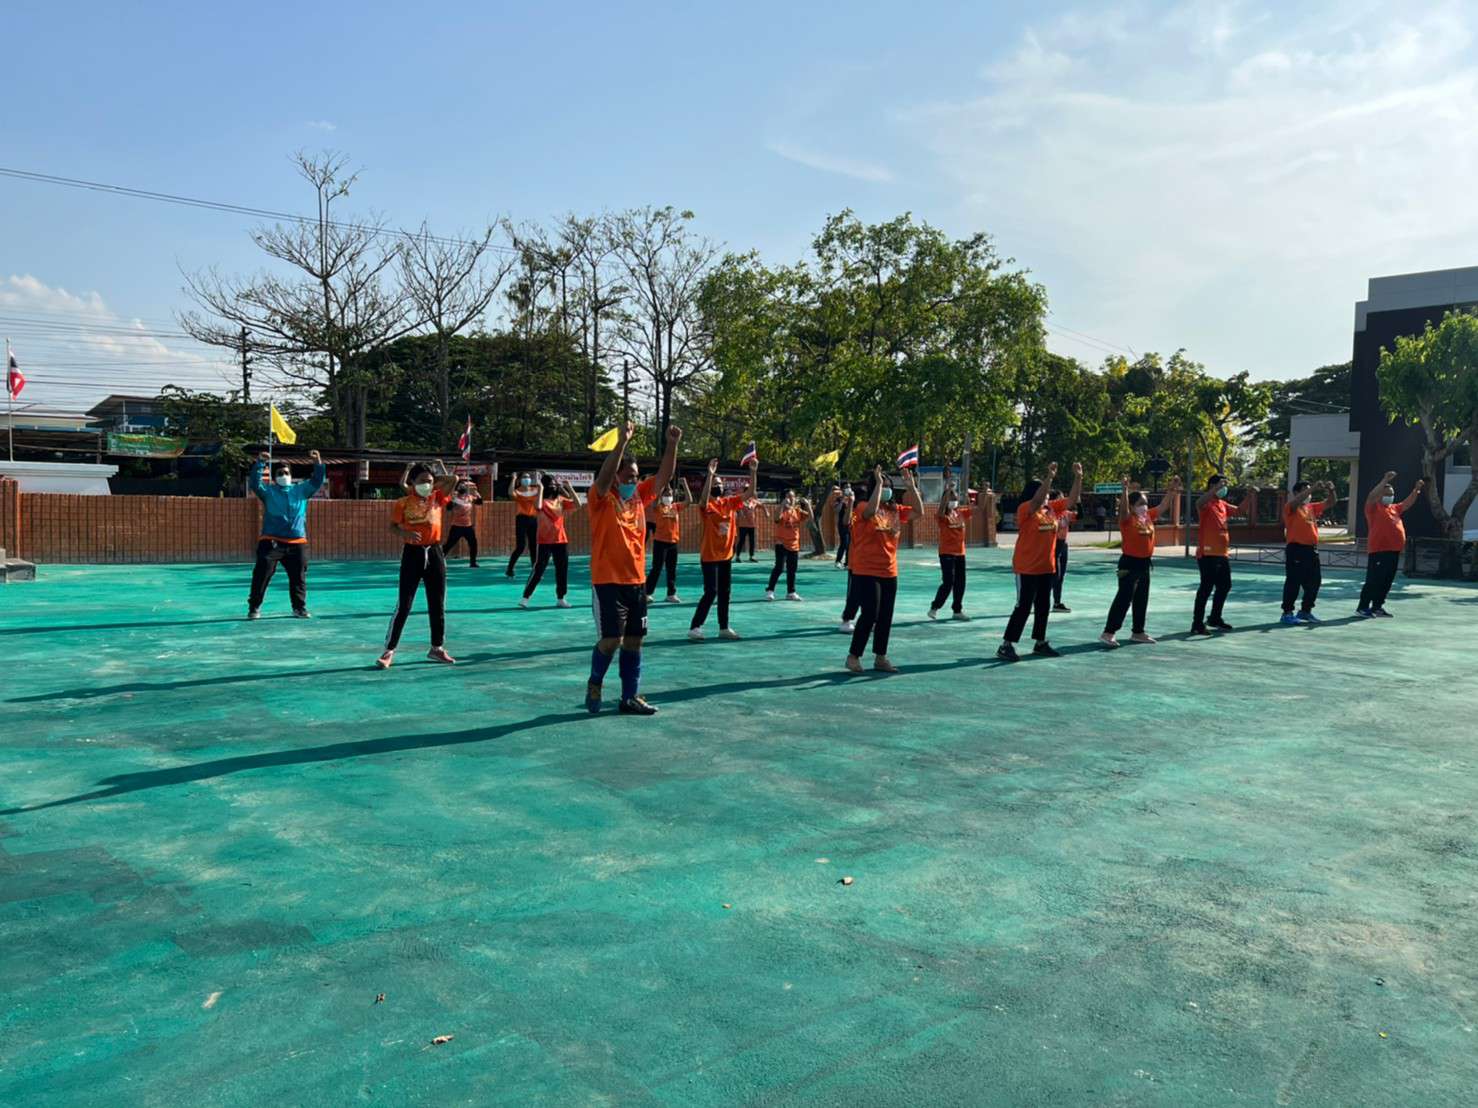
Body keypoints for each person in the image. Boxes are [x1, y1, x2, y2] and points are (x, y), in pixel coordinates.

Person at [585, 420, 682, 715]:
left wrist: (672, 445)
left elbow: (664, 477)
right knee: (611, 640)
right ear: (616, 477)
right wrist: (621, 444)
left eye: (636, 477)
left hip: (636, 581)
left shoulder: (639, 496)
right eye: (628, 476)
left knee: (635, 640)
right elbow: (603, 480)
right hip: (607, 580)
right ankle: (595, 682)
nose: (633, 481)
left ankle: (630, 697)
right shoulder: (600, 498)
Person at [378, 460, 460, 668]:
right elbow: (393, 526)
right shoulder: (403, 503)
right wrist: (405, 533)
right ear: (412, 482)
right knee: (404, 604)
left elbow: (454, 479)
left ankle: (437, 648)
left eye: (429, 481)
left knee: (437, 602)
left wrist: (436, 475)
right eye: (422, 481)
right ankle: (389, 650)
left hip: (435, 552)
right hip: (412, 554)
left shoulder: (437, 498)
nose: (426, 485)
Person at [997, 462, 1081, 661]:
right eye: (1044, 492)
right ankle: (1006, 645)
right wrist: (1049, 477)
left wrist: (1078, 477)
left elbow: (1072, 501)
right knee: (1024, 606)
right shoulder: (1025, 509)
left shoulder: (1051, 509)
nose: (1047, 495)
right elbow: (1035, 502)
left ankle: (1040, 642)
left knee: (1043, 606)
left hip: (1046, 567)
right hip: (1027, 567)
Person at [845, 464, 922, 674]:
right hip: (866, 569)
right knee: (870, 614)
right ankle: (853, 656)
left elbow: (918, 512)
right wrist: (878, 483)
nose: (887, 489)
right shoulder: (862, 507)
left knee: (886, 616)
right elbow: (870, 512)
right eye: (883, 485)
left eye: (888, 486)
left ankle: (880, 657)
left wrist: (911, 486)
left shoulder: (894, 510)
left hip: (889, 569)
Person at [1099, 474, 1181, 648]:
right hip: (1130, 563)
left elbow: (1163, 506)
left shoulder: (1147, 517)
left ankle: (1138, 632)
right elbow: (1123, 511)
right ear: (1132, 506)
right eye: (1140, 503)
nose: (1144, 506)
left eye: (1145, 503)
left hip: (1144, 563)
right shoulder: (1127, 519)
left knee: (1141, 599)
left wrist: (1171, 490)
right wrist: (1124, 490)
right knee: (1124, 598)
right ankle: (1108, 632)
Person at [247, 449, 326, 620]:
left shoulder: (302, 490)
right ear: (275, 478)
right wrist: (260, 463)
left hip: (297, 542)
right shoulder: (268, 492)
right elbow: (254, 483)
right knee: (262, 574)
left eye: (286, 472)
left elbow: (317, 480)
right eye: (280, 473)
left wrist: (317, 462)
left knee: (299, 577)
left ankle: (299, 608)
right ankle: (254, 607)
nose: (284, 475)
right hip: (271, 541)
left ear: (291, 475)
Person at [688, 456, 757, 641]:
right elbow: (702, 501)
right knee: (711, 591)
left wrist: (753, 471)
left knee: (725, 592)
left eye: (720, 483)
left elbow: (750, 493)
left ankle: (724, 628)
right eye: (715, 484)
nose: (718, 486)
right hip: (709, 555)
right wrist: (710, 475)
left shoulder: (729, 502)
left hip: (726, 555)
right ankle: (695, 627)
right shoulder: (707, 506)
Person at [1190, 474, 1255, 635]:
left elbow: (1240, 511)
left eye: (1224, 485)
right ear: (1212, 486)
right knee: (1206, 588)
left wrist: (1249, 496)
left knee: (1225, 585)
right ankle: (1197, 623)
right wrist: (1216, 488)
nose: (1224, 488)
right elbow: (1198, 503)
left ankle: (1215, 617)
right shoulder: (1206, 504)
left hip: (1222, 553)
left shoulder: (1222, 504)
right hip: (1207, 554)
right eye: (1221, 485)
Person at [1358, 471, 1423, 618]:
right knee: (1374, 580)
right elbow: (1371, 496)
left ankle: (1377, 606)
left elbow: (1407, 503)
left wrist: (1416, 490)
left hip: (1393, 551)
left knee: (1386, 581)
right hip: (1379, 550)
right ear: (1380, 495)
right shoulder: (1373, 508)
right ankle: (1363, 607)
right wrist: (1384, 480)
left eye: (1392, 494)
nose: (1390, 496)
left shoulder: (1394, 508)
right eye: (1387, 494)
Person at [1280, 479, 1336, 625]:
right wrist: (1312, 489)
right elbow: (1295, 503)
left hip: (1311, 550)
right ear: (1296, 493)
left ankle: (1306, 611)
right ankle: (1287, 612)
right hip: (1296, 549)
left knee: (1315, 581)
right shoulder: (1290, 507)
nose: (1308, 494)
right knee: (1294, 581)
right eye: (1305, 490)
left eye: (1309, 490)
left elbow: (1330, 503)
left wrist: (1331, 490)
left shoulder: (1311, 507)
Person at [520, 477, 580, 609]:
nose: (553, 487)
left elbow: (578, 504)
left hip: (561, 540)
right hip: (544, 540)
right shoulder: (540, 499)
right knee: (539, 569)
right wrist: (541, 489)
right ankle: (525, 597)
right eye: (550, 484)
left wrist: (569, 487)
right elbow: (538, 507)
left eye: (554, 484)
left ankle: (561, 598)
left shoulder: (560, 500)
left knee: (562, 570)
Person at [928, 484, 973, 621]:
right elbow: (941, 511)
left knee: (960, 583)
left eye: (955, 498)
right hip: (947, 552)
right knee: (948, 582)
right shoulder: (942, 515)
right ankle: (934, 607)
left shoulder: (960, 513)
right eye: (951, 498)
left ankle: (957, 611)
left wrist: (975, 497)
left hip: (960, 553)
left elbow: (978, 509)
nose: (954, 501)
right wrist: (947, 491)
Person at [645, 479, 690, 604]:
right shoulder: (658, 507)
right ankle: (647, 593)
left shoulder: (675, 507)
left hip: (673, 542)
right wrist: (662, 487)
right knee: (657, 568)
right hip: (660, 542)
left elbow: (689, 501)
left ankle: (671, 594)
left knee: (672, 569)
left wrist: (684, 485)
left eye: (670, 494)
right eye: (666, 494)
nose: (668, 496)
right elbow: (654, 502)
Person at [765, 490, 812, 601]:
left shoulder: (797, 510)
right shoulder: (781, 509)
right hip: (781, 543)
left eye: (793, 496)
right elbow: (776, 519)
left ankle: (791, 592)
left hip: (794, 544)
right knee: (779, 568)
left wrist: (808, 505)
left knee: (792, 570)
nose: (791, 499)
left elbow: (811, 518)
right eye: (788, 496)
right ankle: (770, 590)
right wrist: (782, 505)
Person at [1049, 479, 1082, 612]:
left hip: (1063, 545)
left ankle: (1057, 602)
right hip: (1054, 544)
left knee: (1061, 575)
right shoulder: (1051, 512)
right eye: (1061, 498)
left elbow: (1080, 516)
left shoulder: (1066, 513)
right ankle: (1038, 598)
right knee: (1054, 575)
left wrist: (1078, 503)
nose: (1064, 501)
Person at [505, 471, 541, 577]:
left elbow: (542, 492)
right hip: (522, 519)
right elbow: (510, 493)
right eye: (524, 477)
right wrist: (513, 478)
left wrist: (540, 479)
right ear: (520, 480)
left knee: (533, 546)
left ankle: (535, 570)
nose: (527, 479)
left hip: (533, 519)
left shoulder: (535, 490)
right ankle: (510, 569)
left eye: (528, 477)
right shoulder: (518, 491)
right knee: (520, 546)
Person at [441, 479, 484, 566]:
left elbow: (480, 502)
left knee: (473, 544)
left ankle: (473, 562)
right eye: (461, 485)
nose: (462, 487)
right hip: (457, 526)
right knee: (449, 544)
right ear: (457, 488)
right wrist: (452, 500)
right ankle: (440, 558)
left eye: (464, 485)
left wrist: (477, 493)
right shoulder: (455, 498)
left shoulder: (469, 497)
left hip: (468, 526)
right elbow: (448, 508)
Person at [832, 485, 854, 569]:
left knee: (850, 544)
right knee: (844, 543)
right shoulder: (839, 499)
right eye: (846, 487)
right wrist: (842, 500)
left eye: (849, 487)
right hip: (842, 524)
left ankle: (847, 563)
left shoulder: (853, 498)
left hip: (852, 524)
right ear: (843, 489)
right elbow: (836, 510)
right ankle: (838, 561)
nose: (848, 489)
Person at [735, 492, 759, 562]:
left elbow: (762, 505)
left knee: (752, 541)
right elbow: (737, 509)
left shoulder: (754, 501)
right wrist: (740, 512)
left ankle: (751, 556)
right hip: (743, 525)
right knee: (741, 540)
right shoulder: (742, 501)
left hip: (752, 525)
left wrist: (766, 511)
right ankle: (737, 556)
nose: (754, 495)